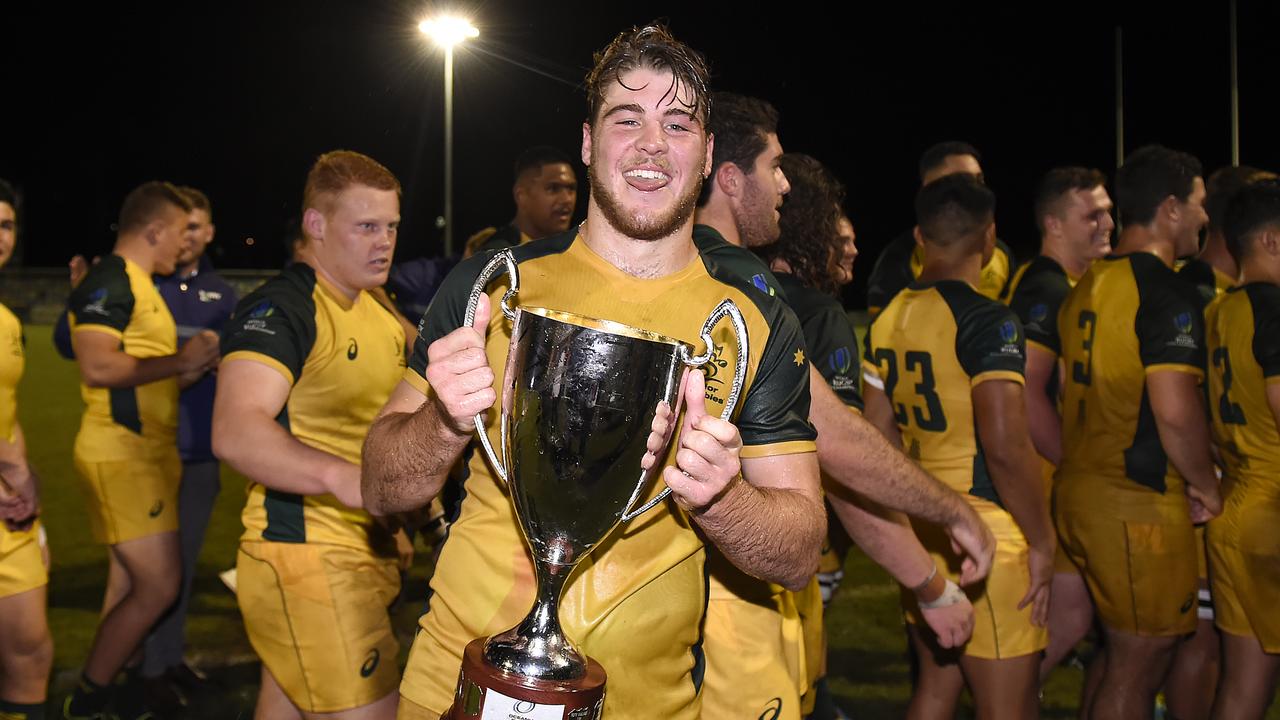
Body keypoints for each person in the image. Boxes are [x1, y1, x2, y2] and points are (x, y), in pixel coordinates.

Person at [361, 24, 825, 719]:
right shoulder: (493, 289)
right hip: (458, 688)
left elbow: (798, 552)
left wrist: (722, 499)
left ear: (704, 157)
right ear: (587, 142)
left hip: (646, 704)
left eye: (677, 123)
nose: (650, 144)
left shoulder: (750, 323)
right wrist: (441, 420)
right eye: (626, 118)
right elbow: (378, 487)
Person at [693, 96, 990, 718]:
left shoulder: (668, 262)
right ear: (727, 177)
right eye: (775, 166)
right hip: (732, 600)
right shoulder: (746, 287)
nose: (784, 183)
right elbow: (837, 444)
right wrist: (946, 535)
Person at [211, 150, 408, 720]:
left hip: (365, 548)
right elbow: (235, 427)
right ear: (316, 226)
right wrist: (348, 480)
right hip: (305, 552)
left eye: (392, 226)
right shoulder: (285, 306)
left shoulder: (376, 307)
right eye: (366, 226)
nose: (384, 242)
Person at [863, 174, 1053, 719]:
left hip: (924, 523)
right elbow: (1006, 445)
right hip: (985, 529)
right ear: (989, 238)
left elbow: (878, 436)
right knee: (1010, 708)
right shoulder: (987, 320)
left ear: (920, 237)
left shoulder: (891, 314)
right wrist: (1042, 541)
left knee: (935, 689)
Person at [1055, 145, 1222, 720]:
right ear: (1171, 208)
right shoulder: (1164, 290)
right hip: (1134, 503)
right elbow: (1174, 410)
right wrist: (1206, 483)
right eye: (1200, 204)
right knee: (1140, 661)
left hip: (1084, 489)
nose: (1205, 217)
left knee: (1117, 652)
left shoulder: (1089, 283)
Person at [63, 181, 221, 720]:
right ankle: (88, 699)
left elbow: (143, 381)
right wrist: (181, 360)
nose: (184, 242)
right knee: (159, 585)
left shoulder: (142, 284)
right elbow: (98, 366)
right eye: (180, 231)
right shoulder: (113, 280)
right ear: (154, 230)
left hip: (148, 455)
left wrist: (189, 367)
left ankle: (117, 692)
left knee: (129, 586)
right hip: (122, 456)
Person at [1001, 167, 1113, 686]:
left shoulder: (1060, 281)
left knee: (1073, 616)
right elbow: (1027, 392)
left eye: (1108, 211)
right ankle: (1006, 700)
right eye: (1092, 215)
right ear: (1054, 224)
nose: (1106, 222)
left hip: (1055, 475)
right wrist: (1075, 462)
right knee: (1062, 617)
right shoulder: (1045, 287)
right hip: (1047, 475)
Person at [135, 186, 238, 710]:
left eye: (197, 226)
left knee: (183, 564)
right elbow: (75, 346)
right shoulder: (141, 286)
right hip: (144, 453)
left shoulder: (224, 297)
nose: (189, 237)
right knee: (147, 571)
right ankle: (143, 665)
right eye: (183, 226)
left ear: (210, 232)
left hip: (198, 452)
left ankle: (166, 659)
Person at [1204, 179, 1280, 720]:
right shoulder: (1274, 311)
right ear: (1271, 241)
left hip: (1233, 504)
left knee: (1242, 683)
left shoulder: (1220, 310)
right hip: (1273, 511)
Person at [0, 178, 54, 720]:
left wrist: (27, 499)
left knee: (31, 653)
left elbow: (7, 413)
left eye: (6, 224)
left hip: (9, 519)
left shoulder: (8, 322)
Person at [865, 142, 1015, 319]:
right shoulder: (898, 261)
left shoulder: (1001, 255)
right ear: (928, 187)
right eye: (963, 180)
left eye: (979, 180)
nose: (975, 188)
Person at [463, 144, 579, 257]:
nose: (567, 199)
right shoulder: (498, 258)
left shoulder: (570, 251)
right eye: (553, 188)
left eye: (571, 188)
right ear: (521, 196)